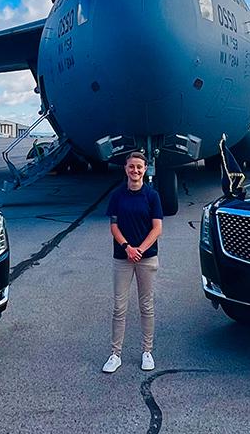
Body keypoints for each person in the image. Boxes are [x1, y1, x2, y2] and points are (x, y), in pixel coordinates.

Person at [102, 151, 163, 373]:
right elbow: (113, 226)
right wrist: (128, 248)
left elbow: (157, 228)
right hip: (123, 257)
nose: (135, 170)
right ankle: (115, 354)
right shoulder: (118, 195)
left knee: (146, 306)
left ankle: (147, 351)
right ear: (125, 169)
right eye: (131, 167)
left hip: (146, 258)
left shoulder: (152, 196)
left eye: (139, 167)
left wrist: (140, 250)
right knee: (119, 307)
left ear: (145, 169)